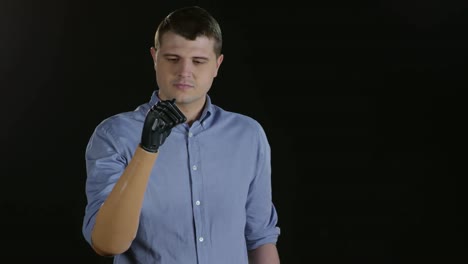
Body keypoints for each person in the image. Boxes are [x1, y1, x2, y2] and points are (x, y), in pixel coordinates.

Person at [82, 5, 281, 264]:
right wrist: (147, 149)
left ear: (217, 65)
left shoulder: (248, 135)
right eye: (173, 59)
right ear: (155, 58)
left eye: (198, 61)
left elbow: (259, 238)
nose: (184, 71)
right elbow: (108, 244)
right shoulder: (114, 135)